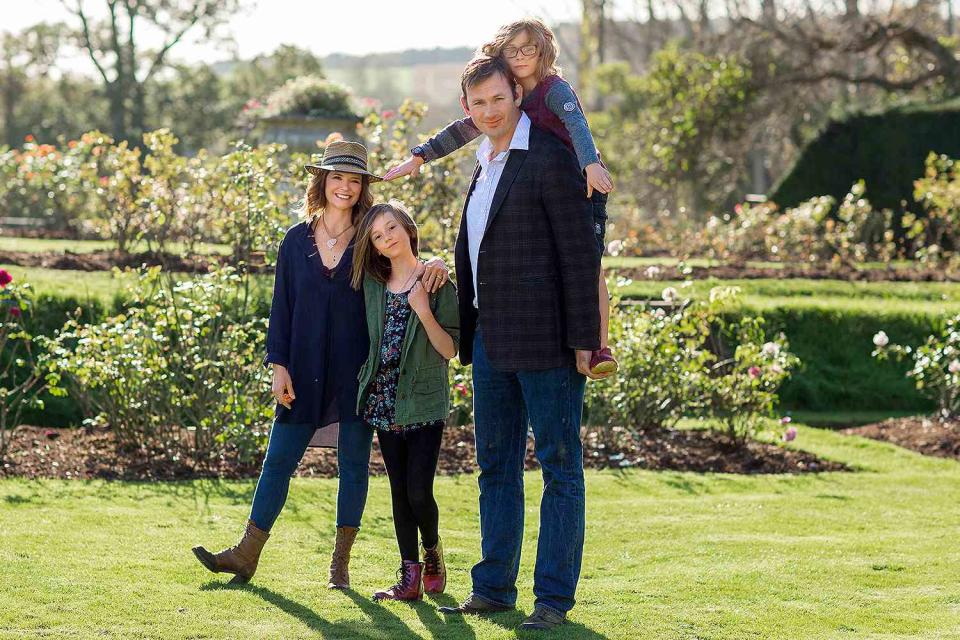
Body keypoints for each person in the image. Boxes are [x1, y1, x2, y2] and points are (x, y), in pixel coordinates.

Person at [191, 141, 450, 588]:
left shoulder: (370, 244)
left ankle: (340, 565)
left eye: (354, 180)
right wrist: (278, 365)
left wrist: (437, 263)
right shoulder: (295, 240)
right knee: (278, 461)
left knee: (352, 465)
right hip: (302, 369)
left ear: (363, 187)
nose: (345, 187)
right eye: (337, 178)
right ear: (322, 182)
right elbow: (282, 306)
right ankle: (246, 553)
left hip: (356, 373)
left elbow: (406, 261)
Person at [434, 55, 602, 631]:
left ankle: (552, 601)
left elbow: (580, 257)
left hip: (550, 345)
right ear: (467, 108)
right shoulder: (481, 165)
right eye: (477, 104)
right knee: (495, 468)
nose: (488, 111)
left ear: (517, 95)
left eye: (497, 100)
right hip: (490, 344)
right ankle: (494, 589)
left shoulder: (552, 158)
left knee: (560, 468)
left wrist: (586, 338)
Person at [384, 16, 617, 376]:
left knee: (590, 264)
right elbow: (463, 129)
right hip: (547, 179)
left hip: (581, 178)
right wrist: (420, 155)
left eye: (530, 49)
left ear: (543, 50)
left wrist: (590, 164)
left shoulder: (554, 90)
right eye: (513, 49)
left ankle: (599, 345)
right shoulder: (509, 98)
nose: (522, 56)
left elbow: (578, 126)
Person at [350, 200, 460, 601]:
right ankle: (408, 577)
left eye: (391, 228)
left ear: (408, 229)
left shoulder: (435, 283)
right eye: (377, 236)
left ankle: (432, 552)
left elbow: (449, 350)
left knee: (418, 491)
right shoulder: (373, 286)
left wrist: (424, 310)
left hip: (424, 403)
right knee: (398, 492)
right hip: (383, 401)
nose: (386, 238)